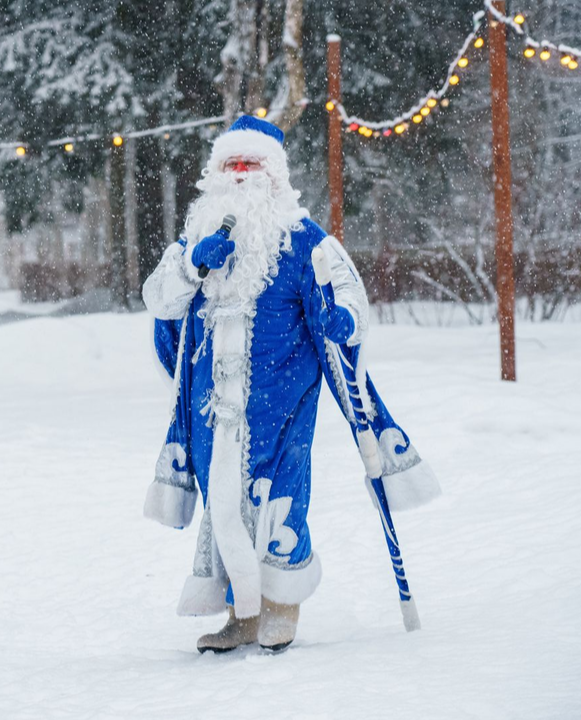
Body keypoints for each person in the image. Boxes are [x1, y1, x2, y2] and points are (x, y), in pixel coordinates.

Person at [142, 115, 439, 653]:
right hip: (212, 403)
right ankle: (240, 613)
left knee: (278, 497)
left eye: (250, 165)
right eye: (229, 165)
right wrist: (191, 265)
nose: (239, 175)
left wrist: (344, 321)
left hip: (281, 398)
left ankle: (281, 606)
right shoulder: (194, 239)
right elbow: (159, 299)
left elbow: (343, 290)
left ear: (273, 175)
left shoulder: (302, 239)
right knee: (223, 502)